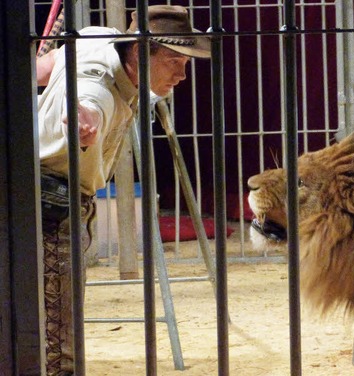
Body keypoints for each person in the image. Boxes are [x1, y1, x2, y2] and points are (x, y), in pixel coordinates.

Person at [36, 5, 210, 375]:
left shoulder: (94, 38)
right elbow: (86, 101)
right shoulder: (97, 85)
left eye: (186, 61)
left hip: (35, 187)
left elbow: (39, 70)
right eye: (174, 60)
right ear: (139, 53)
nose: (182, 74)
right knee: (57, 340)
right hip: (51, 199)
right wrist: (81, 118)